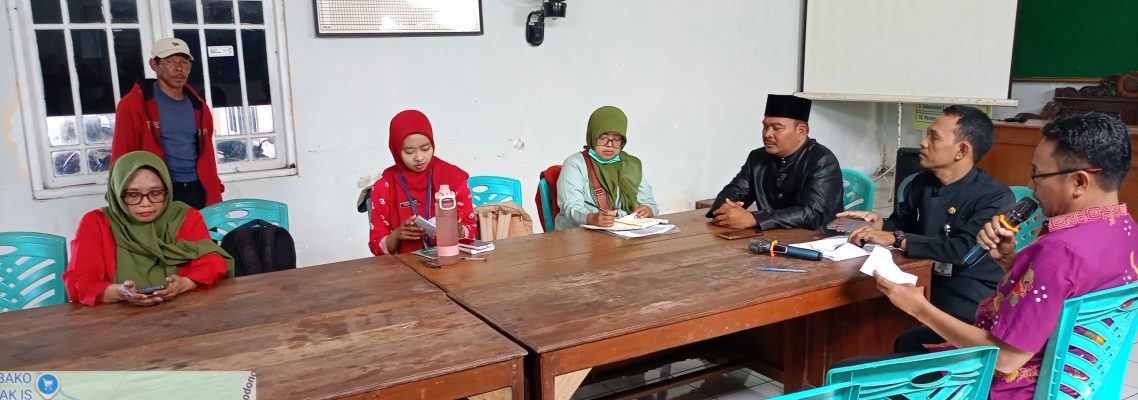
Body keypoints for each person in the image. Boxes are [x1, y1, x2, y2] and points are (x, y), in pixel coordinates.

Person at [874, 113, 1136, 399]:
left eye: (1037, 174)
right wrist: (1009, 261)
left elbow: (1007, 359)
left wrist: (918, 307)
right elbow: (1060, 292)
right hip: (1081, 377)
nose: (1031, 185)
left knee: (851, 374)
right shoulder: (1126, 230)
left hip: (1017, 386)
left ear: (1080, 182)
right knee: (912, 341)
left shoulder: (1061, 249)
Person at [840, 105, 1013, 350]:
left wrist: (897, 238)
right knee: (862, 307)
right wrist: (879, 224)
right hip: (922, 276)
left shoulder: (994, 196)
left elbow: (962, 250)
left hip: (965, 290)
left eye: (934, 137)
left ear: (961, 150)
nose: (923, 143)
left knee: (901, 327)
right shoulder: (923, 182)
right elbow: (900, 225)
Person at [63, 151, 232, 307]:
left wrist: (185, 283)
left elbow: (213, 261)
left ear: (167, 190)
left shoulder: (183, 216)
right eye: (133, 195)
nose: (146, 203)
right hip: (116, 318)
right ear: (117, 193)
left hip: (184, 310)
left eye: (155, 193)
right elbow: (79, 281)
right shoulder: (96, 223)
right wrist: (120, 292)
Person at [111, 38, 222, 209]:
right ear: (153, 64)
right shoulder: (134, 104)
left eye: (184, 62)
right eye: (170, 61)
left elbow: (205, 149)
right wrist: (123, 193)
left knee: (202, 227)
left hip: (197, 188)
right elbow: (122, 152)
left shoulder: (199, 105)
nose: (179, 68)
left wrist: (213, 183)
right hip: (156, 190)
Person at [707, 94, 842, 231]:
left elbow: (813, 214)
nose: (767, 134)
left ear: (801, 131)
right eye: (765, 127)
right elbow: (734, 192)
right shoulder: (757, 158)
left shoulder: (822, 160)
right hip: (769, 237)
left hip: (815, 240)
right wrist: (726, 208)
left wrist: (756, 219)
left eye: (777, 128)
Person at [368, 110, 477, 255]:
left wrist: (459, 230)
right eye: (409, 152)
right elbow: (376, 247)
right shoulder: (384, 187)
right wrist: (397, 235)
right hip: (405, 266)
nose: (419, 158)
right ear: (396, 150)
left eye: (426, 148)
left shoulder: (454, 178)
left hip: (450, 260)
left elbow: (471, 229)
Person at [556, 106, 659, 229]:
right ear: (592, 135)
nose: (610, 145)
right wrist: (591, 218)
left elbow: (650, 203)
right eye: (603, 138)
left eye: (617, 139)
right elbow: (570, 206)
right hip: (580, 233)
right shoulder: (575, 164)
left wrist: (648, 210)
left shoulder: (631, 165)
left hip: (623, 232)